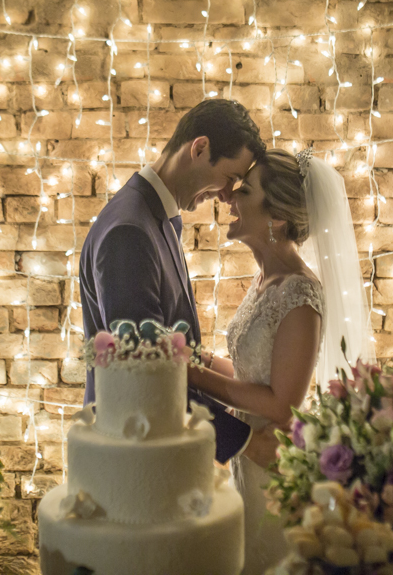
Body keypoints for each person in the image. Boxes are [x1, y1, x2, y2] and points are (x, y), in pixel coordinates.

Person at [188, 147, 371, 574]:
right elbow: (253, 375)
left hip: (274, 467)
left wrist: (192, 375)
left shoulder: (300, 294)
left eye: (244, 191)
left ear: (277, 219)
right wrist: (200, 359)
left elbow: (281, 404)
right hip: (248, 458)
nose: (229, 199)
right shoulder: (265, 279)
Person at [79, 98, 272, 464]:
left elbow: (168, 347)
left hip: (163, 448)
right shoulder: (129, 232)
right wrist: (245, 441)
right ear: (199, 148)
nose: (227, 195)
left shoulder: (158, 217)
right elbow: (143, 372)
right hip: (134, 457)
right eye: (230, 177)